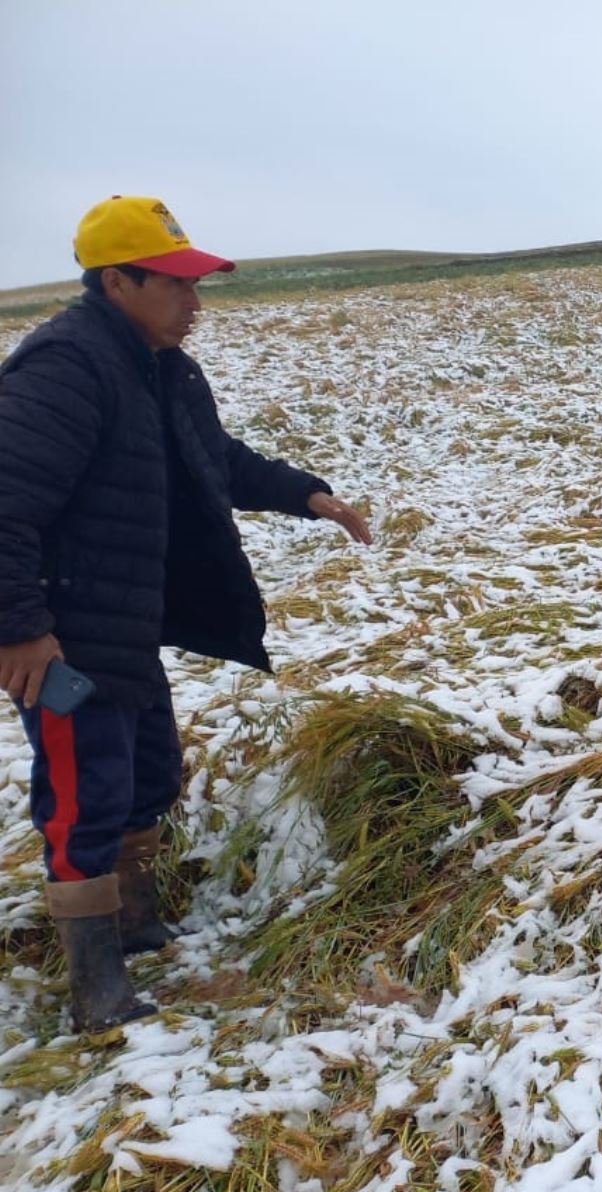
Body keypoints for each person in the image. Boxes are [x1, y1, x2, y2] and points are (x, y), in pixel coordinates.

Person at [0, 196, 373, 1032]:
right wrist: (20, 628)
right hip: (63, 634)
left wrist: (306, 494)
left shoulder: (158, 366)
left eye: (195, 283)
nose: (194, 301)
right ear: (117, 282)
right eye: (176, 284)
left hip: (125, 623)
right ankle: (96, 990)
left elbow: (217, 460)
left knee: (149, 773)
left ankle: (132, 923)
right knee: (83, 794)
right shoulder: (67, 367)